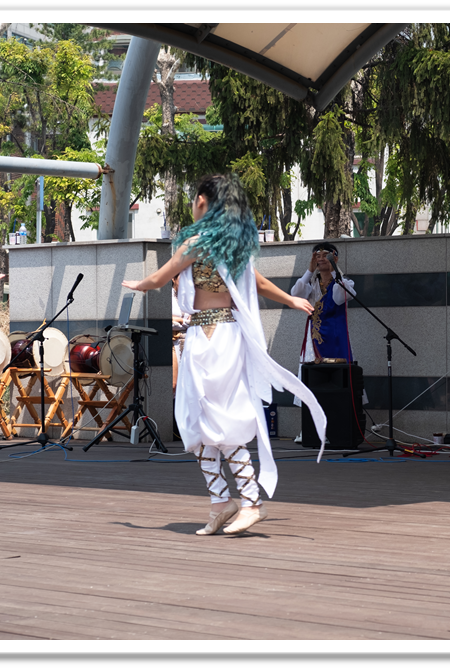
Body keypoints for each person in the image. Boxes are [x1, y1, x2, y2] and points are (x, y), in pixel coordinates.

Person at [121, 173, 327, 536]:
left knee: (214, 419)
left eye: (195, 200)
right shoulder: (234, 245)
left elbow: (161, 277)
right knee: (199, 420)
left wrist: (140, 284)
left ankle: (251, 501)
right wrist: (290, 299)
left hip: (209, 338)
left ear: (203, 202)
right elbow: (258, 282)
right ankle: (220, 501)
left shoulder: (197, 244)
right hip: (218, 335)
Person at [291, 242, 355, 364]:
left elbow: (340, 297)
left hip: (336, 335)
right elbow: (296, 295)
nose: (320, 259)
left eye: (325, 255)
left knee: (339, 370)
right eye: (317, 256)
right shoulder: (312, 284)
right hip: (315, 336)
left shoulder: (344, 283)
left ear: (334, 258)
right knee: (312, 370)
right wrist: (310, 271)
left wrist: (334, 270)